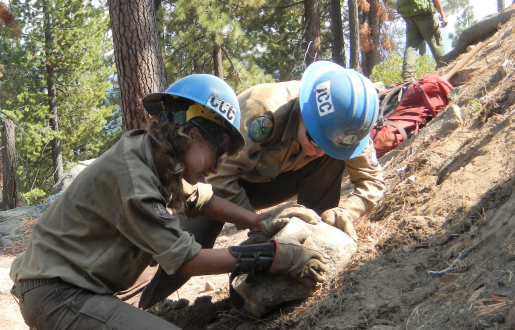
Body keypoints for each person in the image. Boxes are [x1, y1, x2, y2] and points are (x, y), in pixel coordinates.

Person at [9, 74, 330, 330]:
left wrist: (259, 222)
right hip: (60, 297)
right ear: (192, 135)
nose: (218, 166)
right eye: (217, 151)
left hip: (71, 288)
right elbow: (187, 261)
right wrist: (272, 257)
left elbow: (203, 201)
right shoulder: (134, 178)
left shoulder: (154, 158)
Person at [137, 61, 384, 310]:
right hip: (224, 181)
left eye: (330, 146)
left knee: (330, 163)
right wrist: (256, 228)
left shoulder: (348, 127)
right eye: (314, 139)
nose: (319, 151)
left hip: (278, 179)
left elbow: (372, 181)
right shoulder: (263, 110)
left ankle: (312, 243)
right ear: (303, 112)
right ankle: (140, 303)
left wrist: (347, 211)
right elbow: (219, 175)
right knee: (187, 244)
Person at [399, 0, 449, 82]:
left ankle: (407, 76)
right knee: (436, 43)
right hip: (426, 16)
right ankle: (446, 69)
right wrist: (443, 15)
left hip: (410, 16)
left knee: (411, 46)